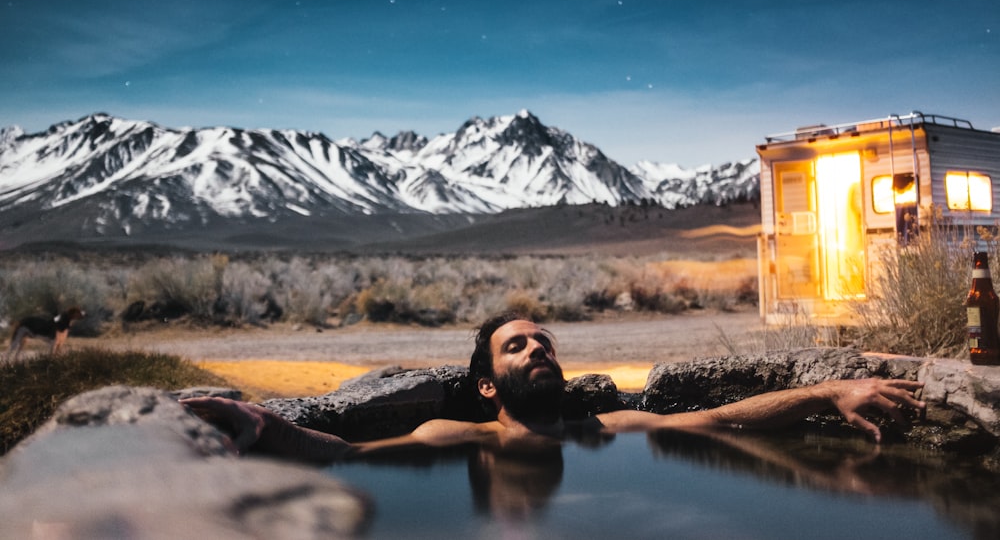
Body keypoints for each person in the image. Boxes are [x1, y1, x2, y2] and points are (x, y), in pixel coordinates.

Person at [181, 312, 925, 462]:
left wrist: (830, 393)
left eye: (544, 341)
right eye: (517, 344)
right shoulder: (453, 438)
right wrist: (259, 421)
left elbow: (727, 416)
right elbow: (343, 454)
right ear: (484, 387)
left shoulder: (611, 429)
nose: (538, 347)